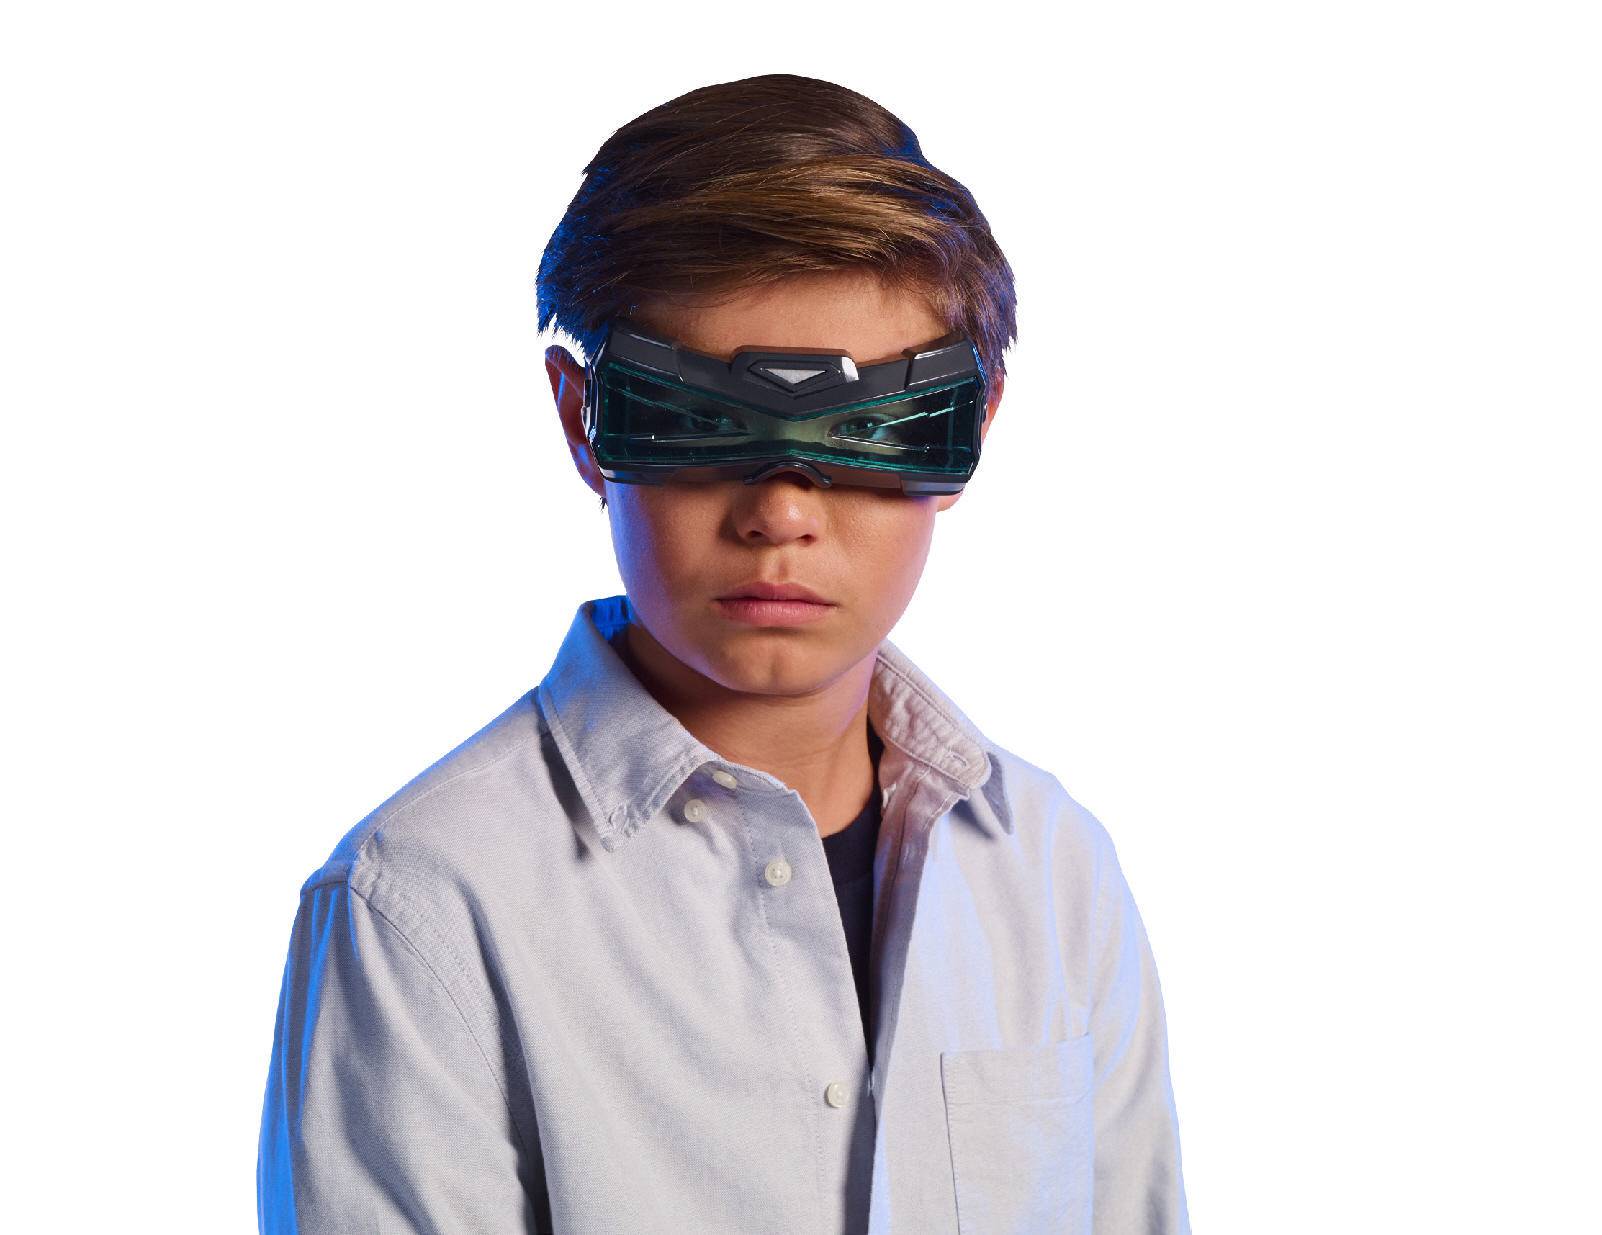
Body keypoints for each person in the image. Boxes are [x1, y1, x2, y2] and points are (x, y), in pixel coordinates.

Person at [257, 72, 1190, 1235]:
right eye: (700, 422)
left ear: (973, 424)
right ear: (582, 418)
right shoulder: (428, 903)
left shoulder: (1053, 871)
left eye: (869, 430)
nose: (781, 512)